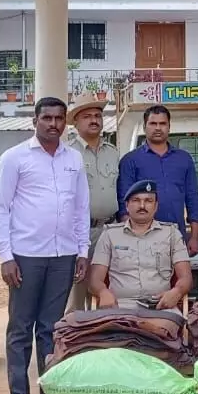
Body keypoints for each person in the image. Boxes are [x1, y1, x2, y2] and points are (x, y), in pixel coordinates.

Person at [0, 96, 90, 394]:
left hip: (63, 256)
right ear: (35, 121)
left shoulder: (74, 159)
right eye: (47, 118)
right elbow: (0, 208)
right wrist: (5, 256)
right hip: (25, 256)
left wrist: (82, 250)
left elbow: (81, 208)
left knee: (51, 328)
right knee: (21, 329)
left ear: (65, 123)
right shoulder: (14, 158)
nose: (53, 124)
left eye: (59, 119)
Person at [90, 179, 193, 311]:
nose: (142, 205)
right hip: (119, 307)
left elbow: (186, 277)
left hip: (160, 306)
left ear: (156, 206)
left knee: (165, 325)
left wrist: (177, 292)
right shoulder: (110, 235)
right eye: (136, 200)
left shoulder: (172, 234)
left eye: (148, 201)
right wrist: (103, 292)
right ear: (127, 206)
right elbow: (95, 280)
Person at [117, 105, 198, 258]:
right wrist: (131, 239)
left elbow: (193, 198)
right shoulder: (130, 160)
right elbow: (124, 204)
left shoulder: (184, 159)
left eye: (162, 123)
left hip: (177, 236)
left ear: (169, 127)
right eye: (153, 123)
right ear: (145, 127)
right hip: (142, 239)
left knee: (179, 274)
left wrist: (195, 237)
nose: (158, 128)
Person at [66, 98, 120, 312]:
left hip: (110, 229)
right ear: (76, 122)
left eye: (97, 116)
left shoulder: (113, 152)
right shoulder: (67, 153)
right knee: (76, 292)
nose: (94, 120)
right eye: (87, 116)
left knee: (108, 289)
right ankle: (74, 331)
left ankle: (104, 331)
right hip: (79, 232)